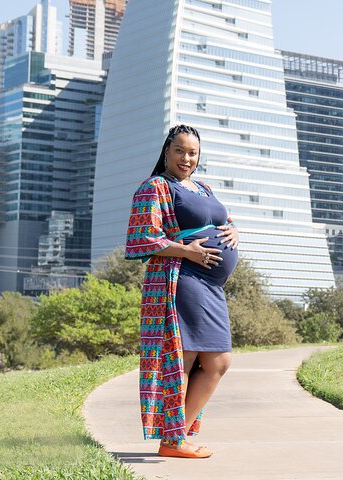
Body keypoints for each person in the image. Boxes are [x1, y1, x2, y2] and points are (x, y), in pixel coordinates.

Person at [125, 124, 239, 459]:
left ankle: (176, 436)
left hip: (211, 285)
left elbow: (221, 219)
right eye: (179, 150)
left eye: (192, 152)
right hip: (183, 278)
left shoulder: (202, 188)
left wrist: (233, 230)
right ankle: (173, 440)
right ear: (166, 151)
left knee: (218, 361)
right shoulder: (156, 187)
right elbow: (141, 237)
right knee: (183, 359)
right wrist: (187, 251)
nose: (186, 158)